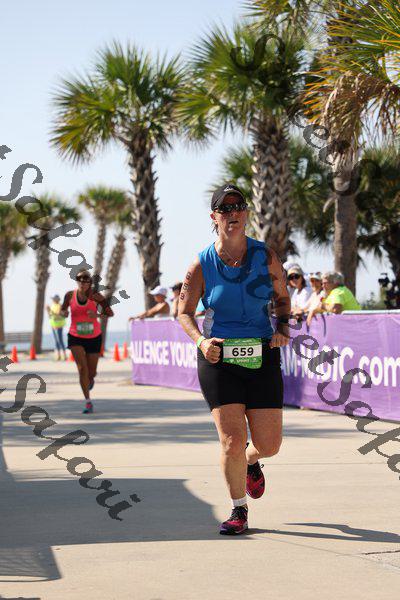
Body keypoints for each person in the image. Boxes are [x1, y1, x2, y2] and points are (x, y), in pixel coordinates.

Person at [178, 183, 290, 536]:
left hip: (262, 355)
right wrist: (201, 341)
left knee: (269, 445)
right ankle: (238, 509)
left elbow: (283, 299)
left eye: (238, 206)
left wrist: (282, 327)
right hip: (219, 358)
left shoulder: (265, 256)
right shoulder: (202, 263)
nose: (233, 213)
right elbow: (183, 312)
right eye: (225, 209)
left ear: (246, 213)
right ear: (214, 217)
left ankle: (251, 460)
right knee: (231, 440)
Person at [60, 270, 113, 414]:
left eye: (85, 280)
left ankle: (90, 379)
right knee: (82, 369)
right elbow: (62, 310)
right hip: (75, 336)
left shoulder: (96, 296)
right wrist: (64, 313)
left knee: (91, 372)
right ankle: (88, 401)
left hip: (94, 337)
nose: (82, 283)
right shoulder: (69, 295)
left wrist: (96, 315)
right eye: (79, 279)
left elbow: (110, 313)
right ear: (76, 281)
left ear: (90, 282)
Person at [46, 294, 67, 361]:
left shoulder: (60, 306)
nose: (53, 300)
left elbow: (58, 314)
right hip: (53, 325)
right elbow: (50, 316)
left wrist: (50, 310)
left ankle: (64, 355)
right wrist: (48, 311)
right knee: (56, 341)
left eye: (54, 299)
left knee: (60, 340)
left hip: (59, 325)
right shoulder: (52, 305)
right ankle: (59, 355)